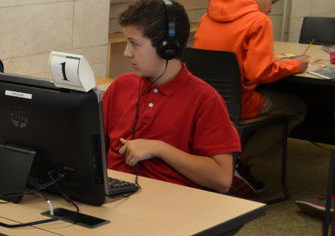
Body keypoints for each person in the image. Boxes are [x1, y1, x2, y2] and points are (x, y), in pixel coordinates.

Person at [103, 0, 241, 193]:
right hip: (112, 192)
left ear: (167, 47)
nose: (127, 53)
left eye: (134, 44)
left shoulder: (204, 99)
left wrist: (160, 149)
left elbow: (222, 179)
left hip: (167, 201)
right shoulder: (121, 86)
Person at [193, 0, 309, 193]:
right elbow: (259, 73)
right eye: (271, 2)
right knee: (296, 106)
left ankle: (229, 157)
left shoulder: (207, 17)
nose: (271, 8)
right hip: (240, 104)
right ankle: (239, 161)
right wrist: (296, 65)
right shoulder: (258, 20)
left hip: (206, 102)